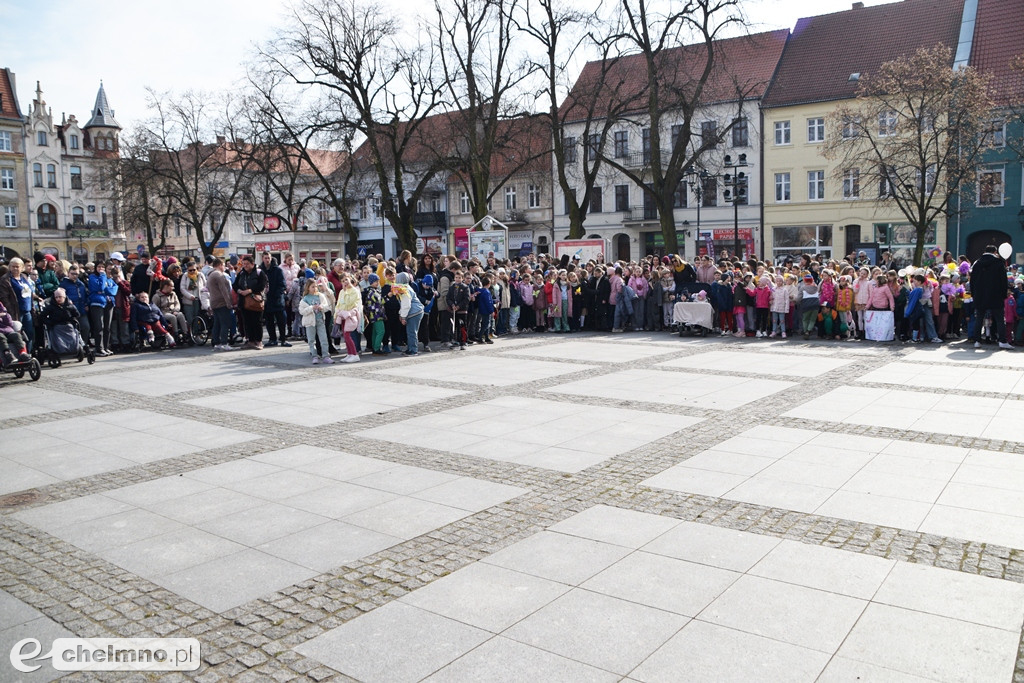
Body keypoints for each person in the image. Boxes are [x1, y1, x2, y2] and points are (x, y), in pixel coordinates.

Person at [970, 245, 1012, 350]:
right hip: (995, 295)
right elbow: (1003, 280)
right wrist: (1003, 294)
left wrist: (974, 294)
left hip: (980, 295)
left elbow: (972, 281)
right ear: (995, 252)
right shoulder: (998, 263)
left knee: (979, 318)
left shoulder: (977, 263)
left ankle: (977, 341)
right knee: (999, 319)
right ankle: (1002, 341)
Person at [233, 254, 268, 350]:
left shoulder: (259, 272)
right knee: (247, 322)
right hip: (243, 301)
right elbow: (235, 285)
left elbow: (262, 285)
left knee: (257, 321)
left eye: (247, 264)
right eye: (244, 264)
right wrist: (240, 291)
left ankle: (259, 341)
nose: (245, 266)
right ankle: (250, 340)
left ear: (252, 264)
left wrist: (250, 290)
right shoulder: (241, 273)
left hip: (255, 300)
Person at [2, 258, 37, 352]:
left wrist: (32, 308)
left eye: (17, 266)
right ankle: (20, 354)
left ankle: (29, 353)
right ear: (9, 267)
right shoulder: (6, 280)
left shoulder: (24, 277)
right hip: (16, 312)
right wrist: (10, 312)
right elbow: (4, 298)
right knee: (18, 335)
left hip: (27, 310)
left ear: (22, 267)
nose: (15, 269)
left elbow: (30, 294)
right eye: (13, 266)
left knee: (29, 334)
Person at [86, 260, 117, 356]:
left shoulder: (109, 279)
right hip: (97, 303)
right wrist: (103, 278)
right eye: (99, 267)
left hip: (108, 303)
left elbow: (114, 290)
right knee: (99, 326)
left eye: (102, 267)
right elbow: (100, 288)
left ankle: (106, 346)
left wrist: (105, 290)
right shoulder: (92, 277)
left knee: (107, 327)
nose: (101, 269)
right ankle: (99, 348)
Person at [299, 280, 333, 364]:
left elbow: (326, 306)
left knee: (323, 338)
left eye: (316, 286)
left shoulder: (320, 296)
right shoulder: (305, 299)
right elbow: (302, 311)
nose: (315, 288)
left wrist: (322, 307)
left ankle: (325, 355)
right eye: (312, 287)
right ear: (308, 288)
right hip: (310, 322)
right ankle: (314, 355)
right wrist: (311, 308)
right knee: (311, 340)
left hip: (320, 320)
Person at [261, 253, 290, 347]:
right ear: (262, 259)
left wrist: (278, 294)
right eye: (265, 258)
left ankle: (283, 339)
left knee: (281, 320)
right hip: (266, 299)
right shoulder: (261, 270)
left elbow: (282, 284)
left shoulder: (277, 270)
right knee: (269, 321)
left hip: (277, 299)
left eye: (268, 258)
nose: (267, 260)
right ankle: (272, 339)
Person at [207, 258, 237, 351]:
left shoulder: (210, 274)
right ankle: (224, 342)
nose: (224, 267)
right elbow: (224, 290)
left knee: (217, 323)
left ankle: (217, 343)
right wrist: (229, 303)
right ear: (219, 265)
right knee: (224, 323)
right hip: (222, 302)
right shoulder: (219, 275)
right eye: (223, 265)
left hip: (214, 302)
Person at [395, 272, 425, 355]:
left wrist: (403, 316)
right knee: (411, 331)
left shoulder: (404, 289)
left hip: (414, 312)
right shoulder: (406, 287)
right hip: (415, 311)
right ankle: (410, 348)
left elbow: (406, 304)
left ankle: (413, 350)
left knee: (412, 332)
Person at [153, 279, 188, 343]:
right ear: (166, 286)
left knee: (180, 315)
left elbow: (177, 303)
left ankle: (185, 333)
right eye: (171, 286)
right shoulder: (157, 296)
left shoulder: (173, 294)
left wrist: (176, 310)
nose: (173, 288)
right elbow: (154, 307)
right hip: (163, 312)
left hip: (173, 310)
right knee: (172, 317)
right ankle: (175, 333)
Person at [0, 299, 31, 364]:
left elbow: (10, 323)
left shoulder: (4, 314)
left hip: (8, 331)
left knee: (16, 335)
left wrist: (5, 315)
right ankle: (7, 353)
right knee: (1, 337)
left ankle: (23, 353)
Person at [446, 268, 471, 349]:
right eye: (456, 277)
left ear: (462, 278)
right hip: (454, 311)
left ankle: (463, 342)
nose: (457, 279)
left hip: (462, 311)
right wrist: (452, 305)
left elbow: (466, 299)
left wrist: (459, 306)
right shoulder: (451, 287)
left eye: (459, 278)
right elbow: (448, 298)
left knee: (462, 326)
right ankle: (455, 340)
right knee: (454, 326)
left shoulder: (465, 287)